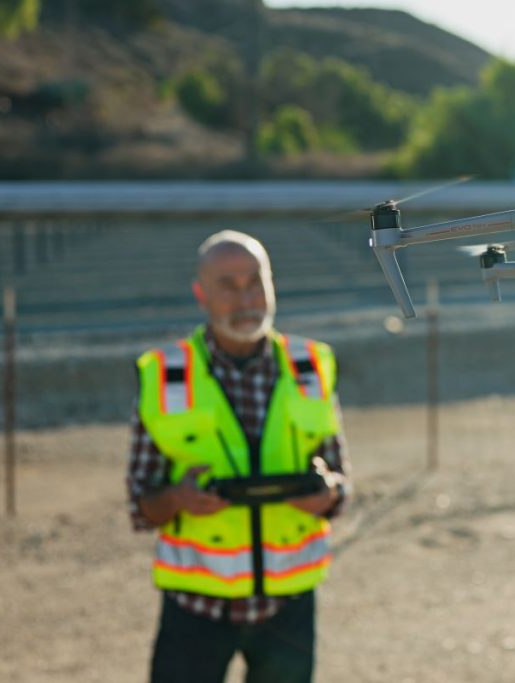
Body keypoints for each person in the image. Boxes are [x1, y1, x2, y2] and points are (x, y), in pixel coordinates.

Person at [126, 229, 350, 683]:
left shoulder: (309, 366)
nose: (245, 297)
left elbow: (341, 480)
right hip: (196, 610)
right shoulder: (168, 376)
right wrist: (178, 498)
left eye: (255, 282)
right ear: (200, 294)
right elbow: (142, 505)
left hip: (288, 608)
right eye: (227, 285)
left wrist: (328, 493)